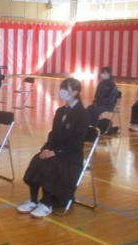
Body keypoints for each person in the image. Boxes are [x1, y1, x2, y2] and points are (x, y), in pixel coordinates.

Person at [17, 77, 90, 218]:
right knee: (37, 160)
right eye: (61, 88)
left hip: (70, 157)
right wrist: (46, 149)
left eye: (65, 89)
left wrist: (56, 152)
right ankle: (33, 200)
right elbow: (53, 135)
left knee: (50, 166)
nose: (61, 91)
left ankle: (47, 203)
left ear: (75, 92)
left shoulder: (82, 114)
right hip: (55, 151)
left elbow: (76, 141)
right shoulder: (60, 111)